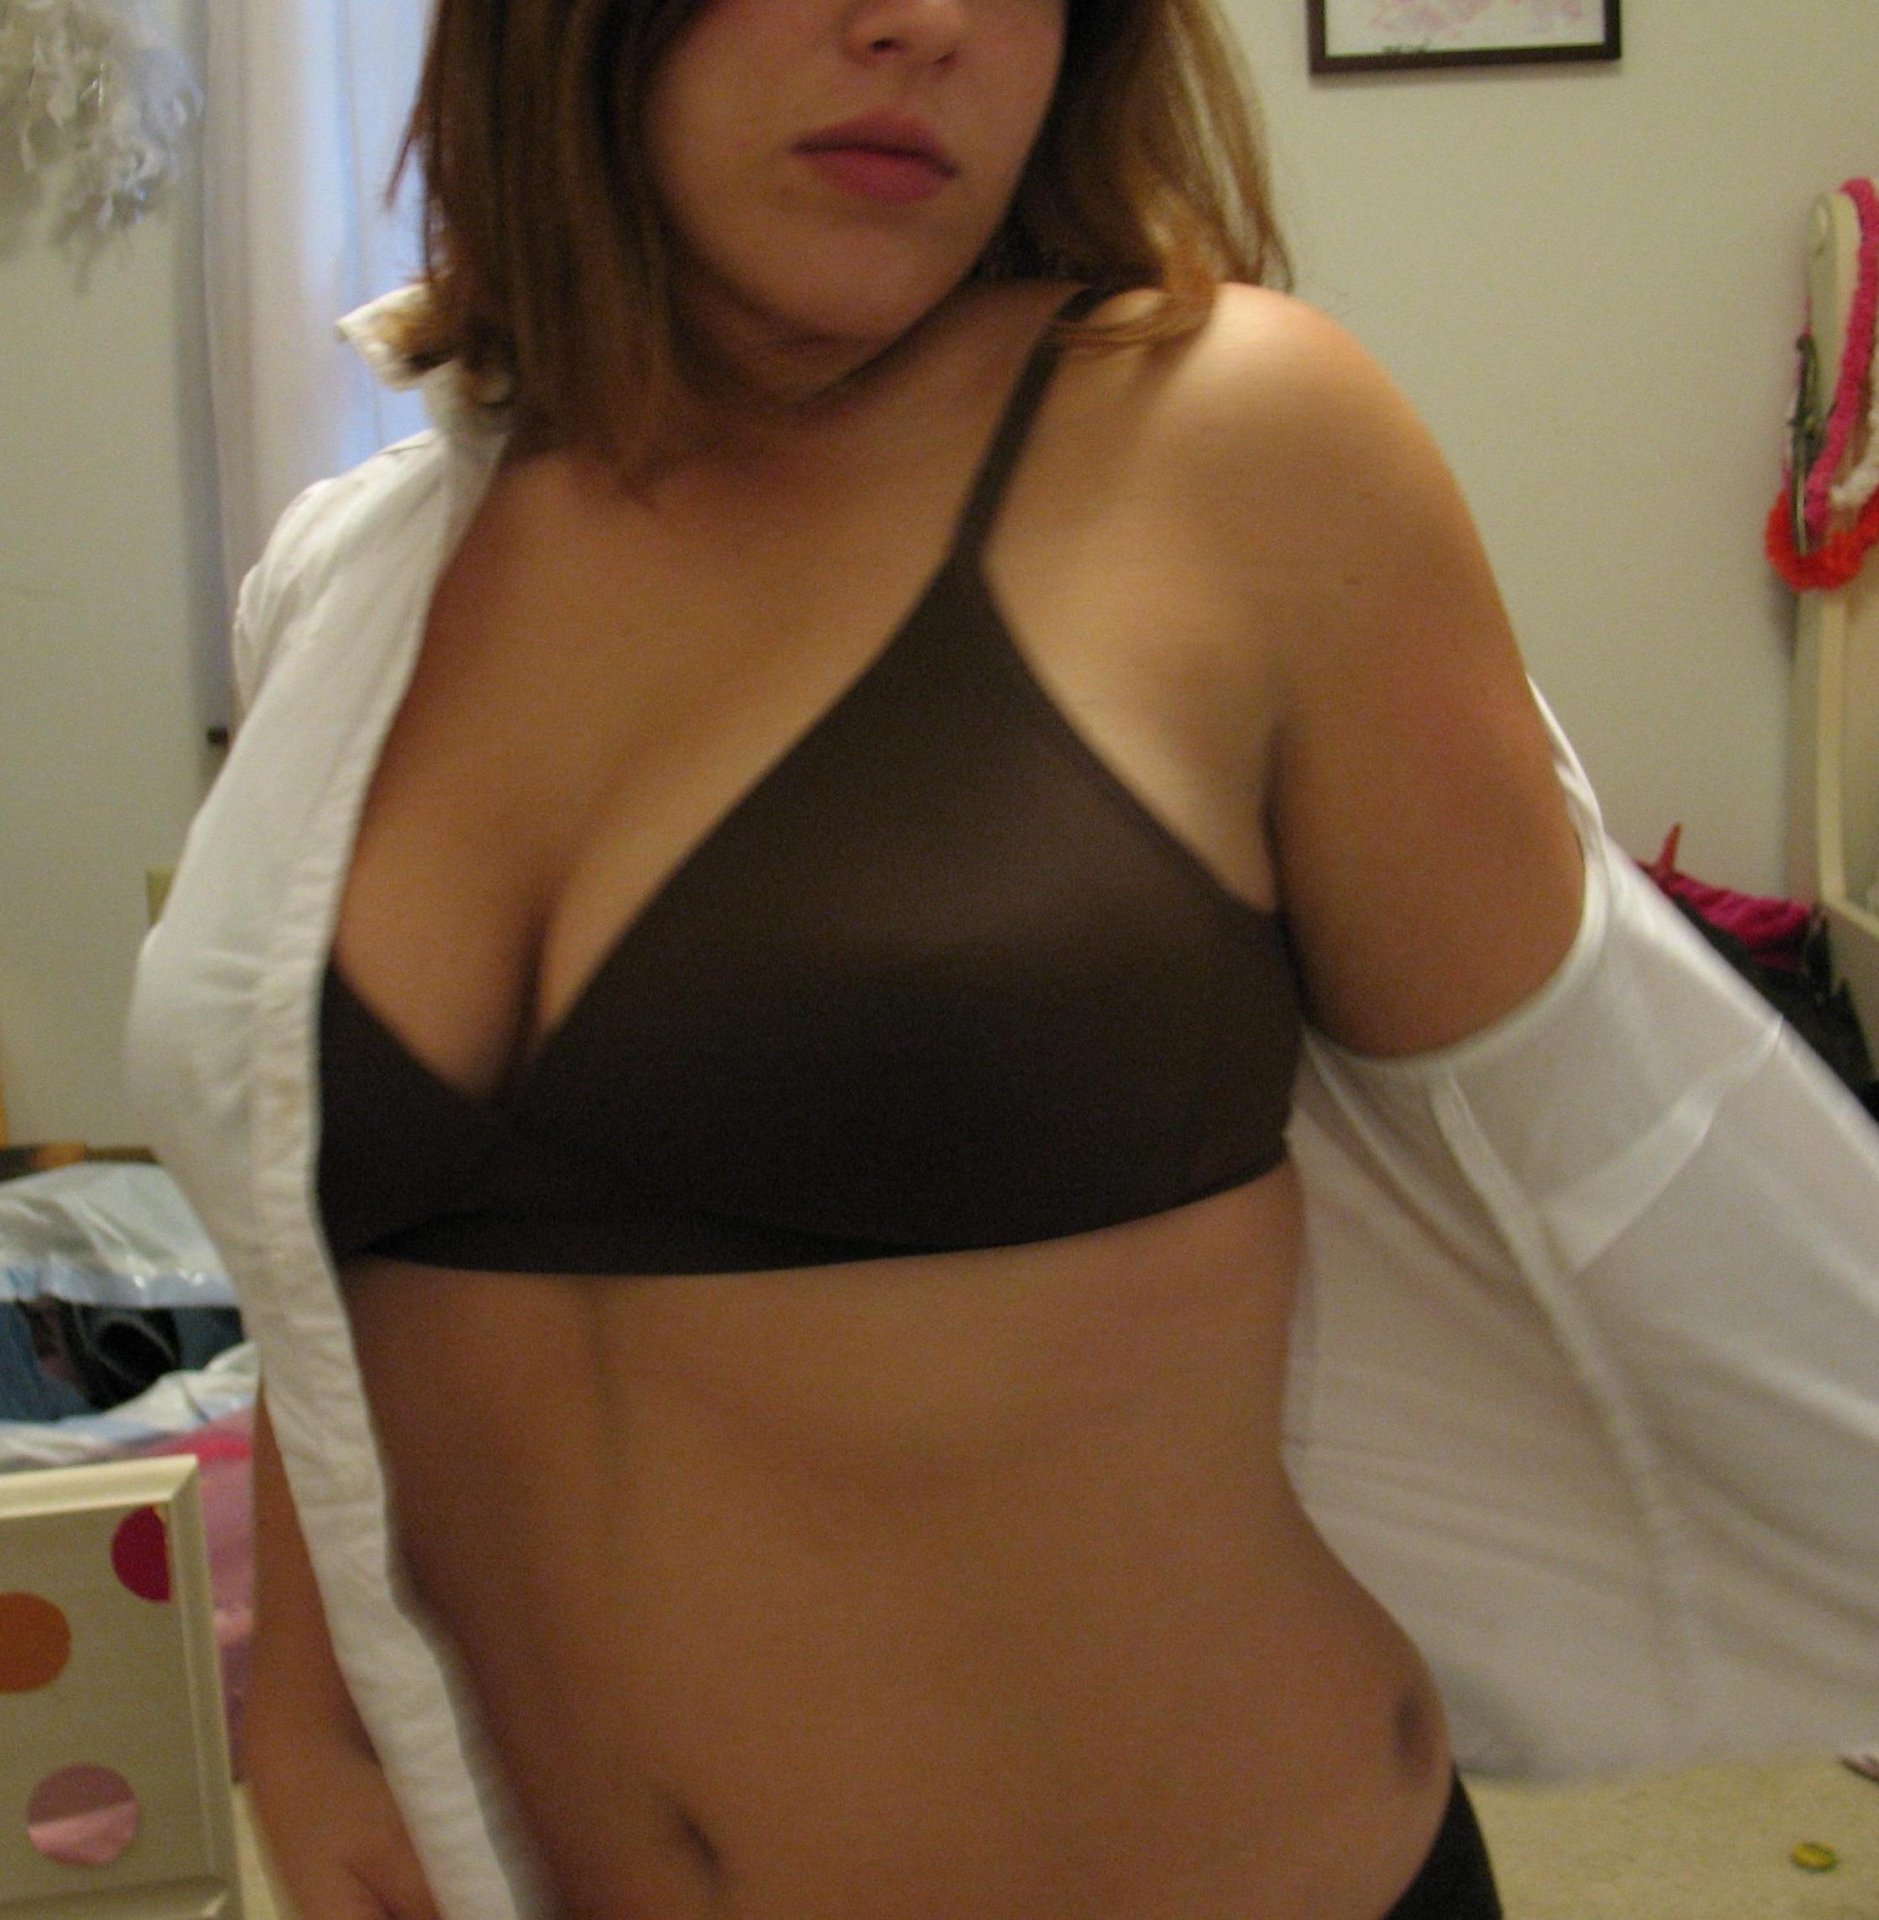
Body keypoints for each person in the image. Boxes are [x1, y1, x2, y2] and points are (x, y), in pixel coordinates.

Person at [132, 0, 1708, 1912]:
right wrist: (311, 1714)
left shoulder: (1233, 448)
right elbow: (326, 1258)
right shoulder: (363, 578)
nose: (929, 21)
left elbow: (1629, 1207)